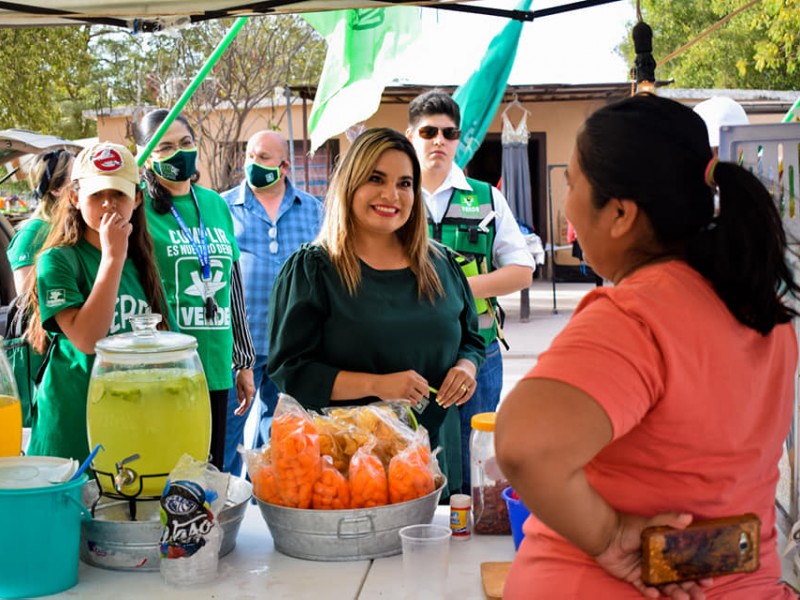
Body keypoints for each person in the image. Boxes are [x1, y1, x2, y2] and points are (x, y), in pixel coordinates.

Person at [495, 94, 799, 599]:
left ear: (619, 213)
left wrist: (609, 535)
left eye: (571, 183)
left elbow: (526, 446)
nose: (566, 205)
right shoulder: (763, 310)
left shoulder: (637, 313)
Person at [267, 127, 485, 467]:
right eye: (376, 179)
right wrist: (381, 385)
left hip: (435, 458)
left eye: (404, 183)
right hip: (347, 465)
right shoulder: (313, 270)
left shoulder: (442, 264)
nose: (391, 195)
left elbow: (471, 339)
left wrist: (466, 368)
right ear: (350, 184)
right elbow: (291, 371)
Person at [406, 90, 535, 494]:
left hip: (478, 352)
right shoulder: (395, 199)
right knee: (411, 461)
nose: (439, 141)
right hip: (408, 355)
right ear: (410, 136)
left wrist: (453, 287)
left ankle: (468, 544)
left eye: (449, 133)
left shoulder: (485, 197)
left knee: (473, 463)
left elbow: (522, 270)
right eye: (429, 132)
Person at [25, 142, 173, 464]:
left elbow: (165, 344)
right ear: (75, 198)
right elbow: (87, 340)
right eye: (97, 194)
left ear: (136, 199)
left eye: (119, 194)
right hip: (71, 430)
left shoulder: (143, 263)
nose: (108, 204)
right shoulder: (58, 260)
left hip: (128, 427)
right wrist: (111, 258)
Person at [135, 110, 256, 471]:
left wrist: (243, 361)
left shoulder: (215, 203)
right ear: (145, 154)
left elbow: (233, 285)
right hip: (164, 365)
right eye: (165, 146)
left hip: (215, 363)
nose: (179, 152)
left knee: (207, 473)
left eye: (186, 143)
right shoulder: (137, 204)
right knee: (166, 471)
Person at [221, 130, 323, 476]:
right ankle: (223, 507)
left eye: (263, 158)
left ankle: (265, 508)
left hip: (292, 347)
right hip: (239, 348)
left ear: (283, 166)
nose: (253, 164)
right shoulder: (223, 207)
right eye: (250, 156)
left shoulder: (311, 210)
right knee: (226, 439)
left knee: (280, 440)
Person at [8, 148, 74, 294]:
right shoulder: (32, 234)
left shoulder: (72, 227)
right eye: (76, 178)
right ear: (56, 189)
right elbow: (26, 302)